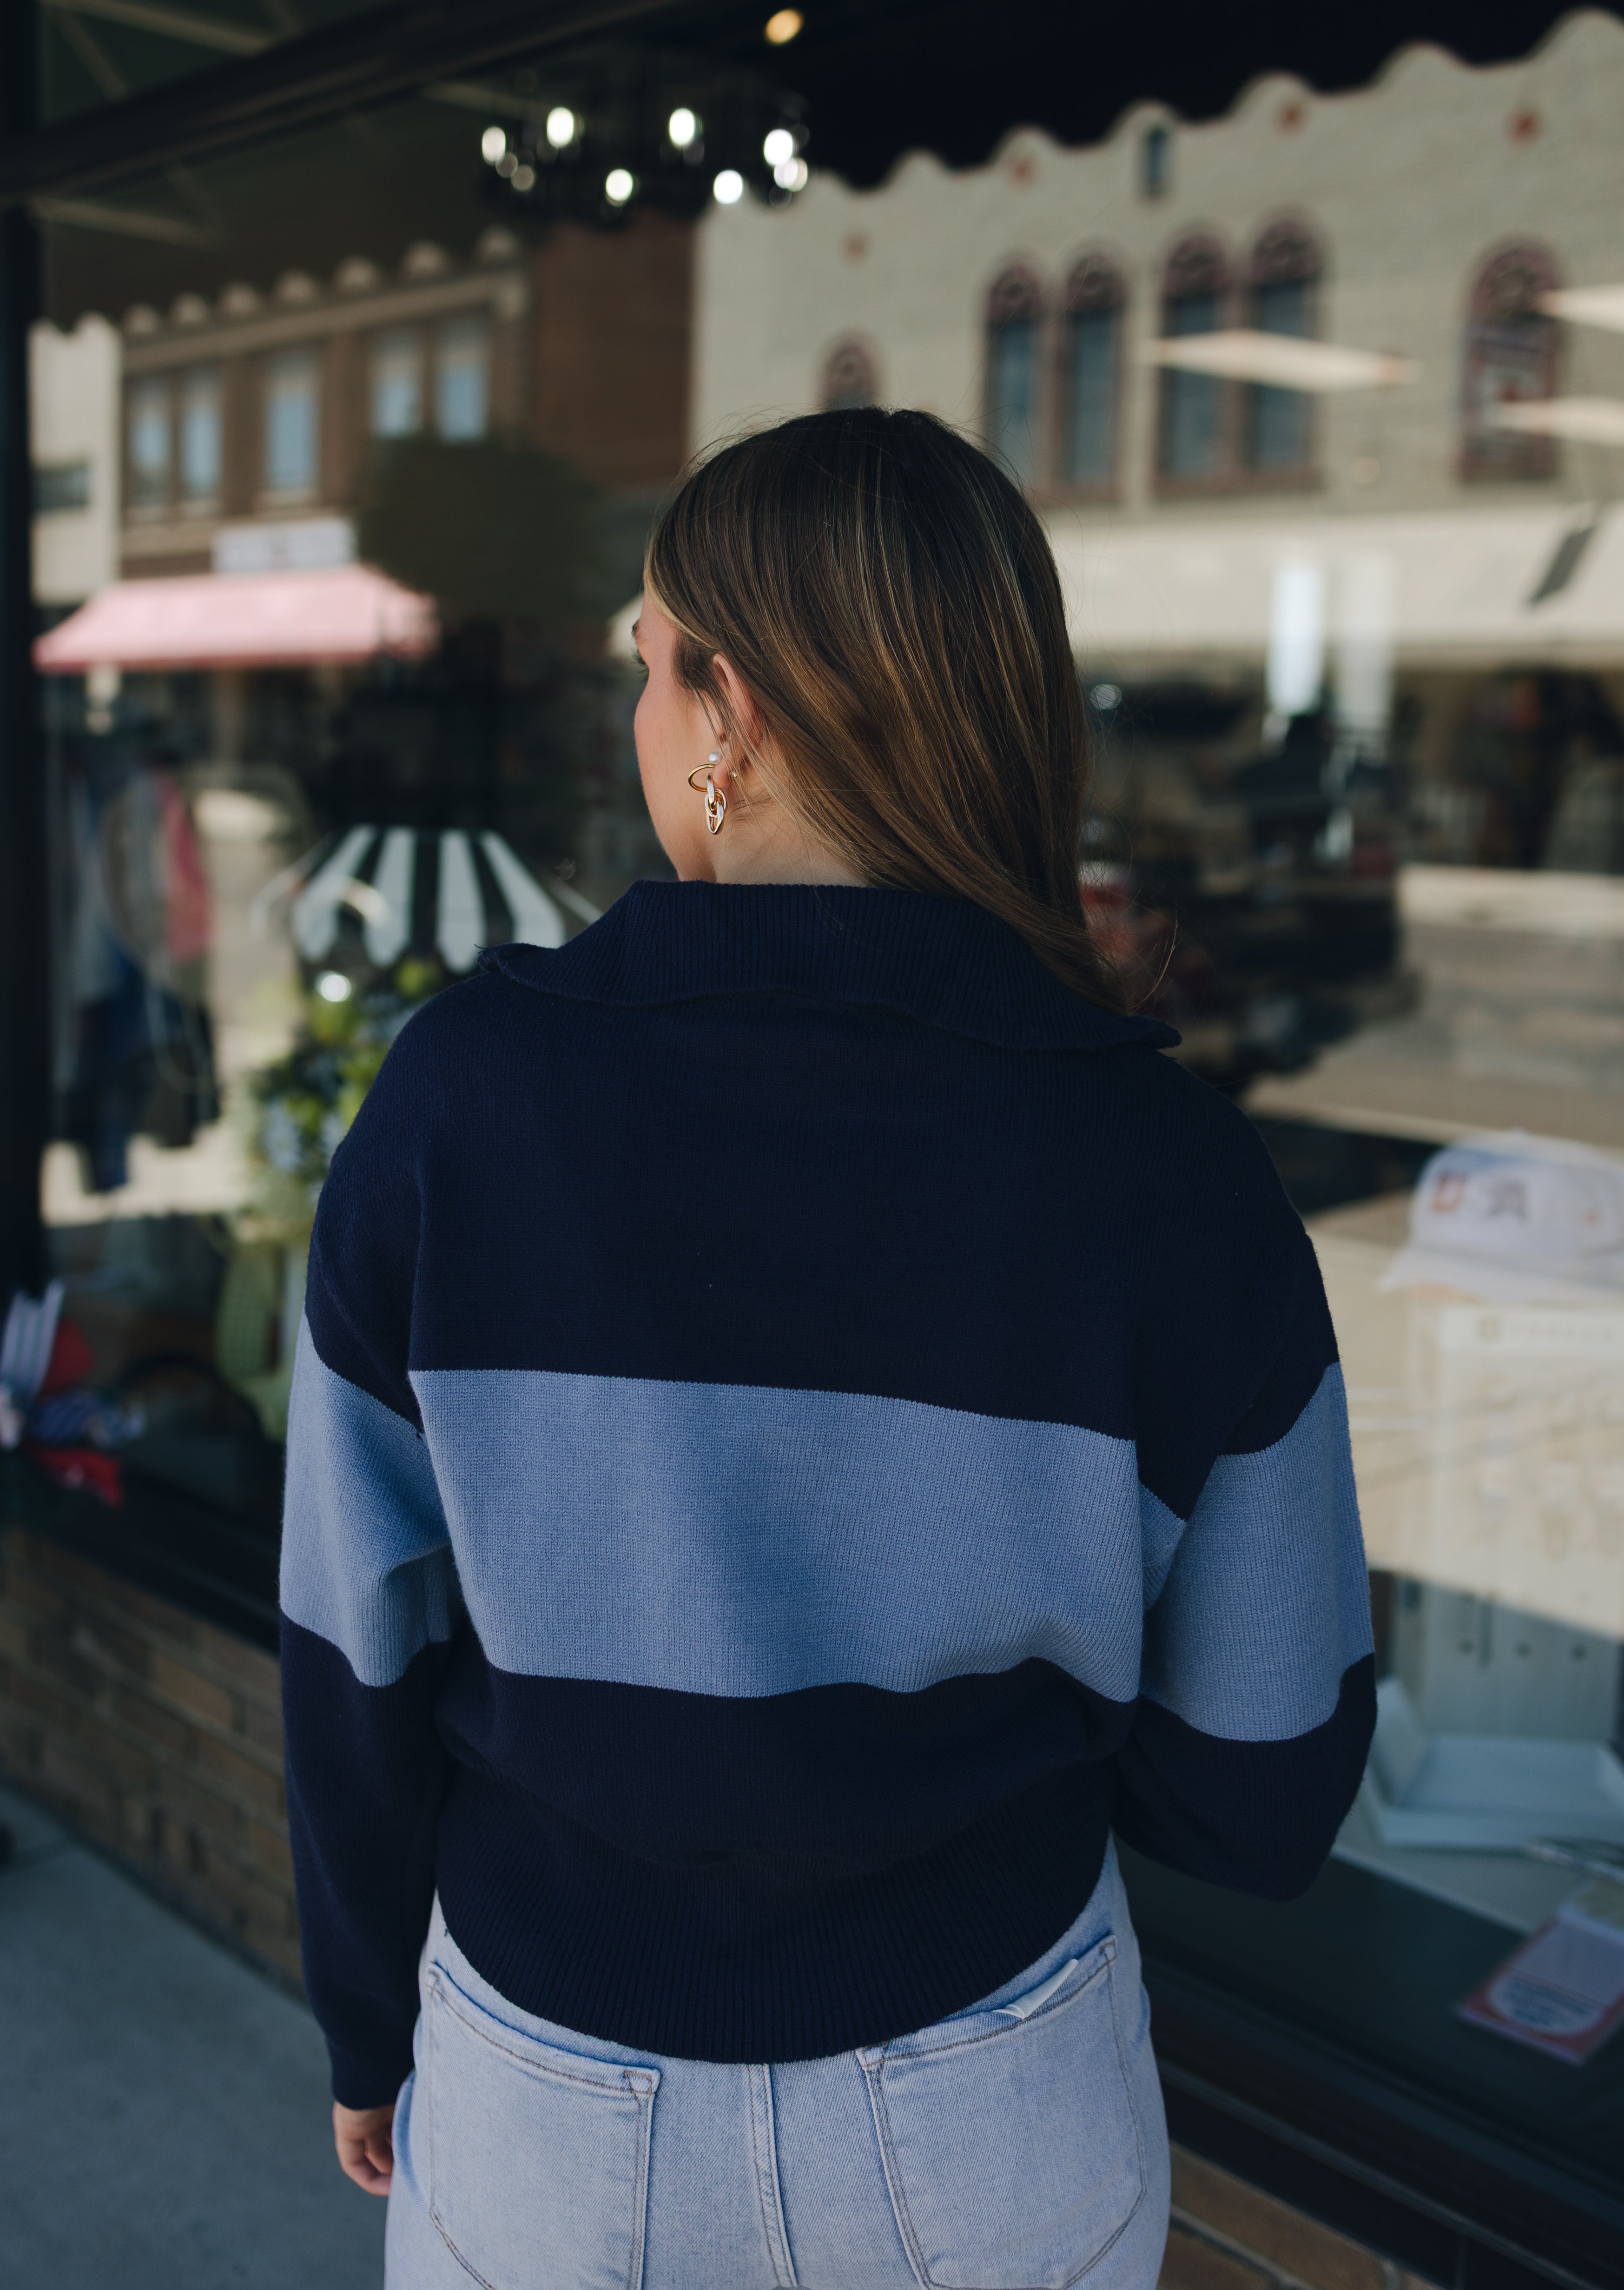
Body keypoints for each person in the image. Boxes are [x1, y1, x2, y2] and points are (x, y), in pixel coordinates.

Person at [280, 408, 1374, 2290]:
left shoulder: (461, 1102)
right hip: (993, 2098)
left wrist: (365, 2015)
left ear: (737, 714)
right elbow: (1265, 1783)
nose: (638, 716)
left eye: (649, 665)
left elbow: (349, 1655)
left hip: (543, 2084)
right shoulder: (1168, 1166)